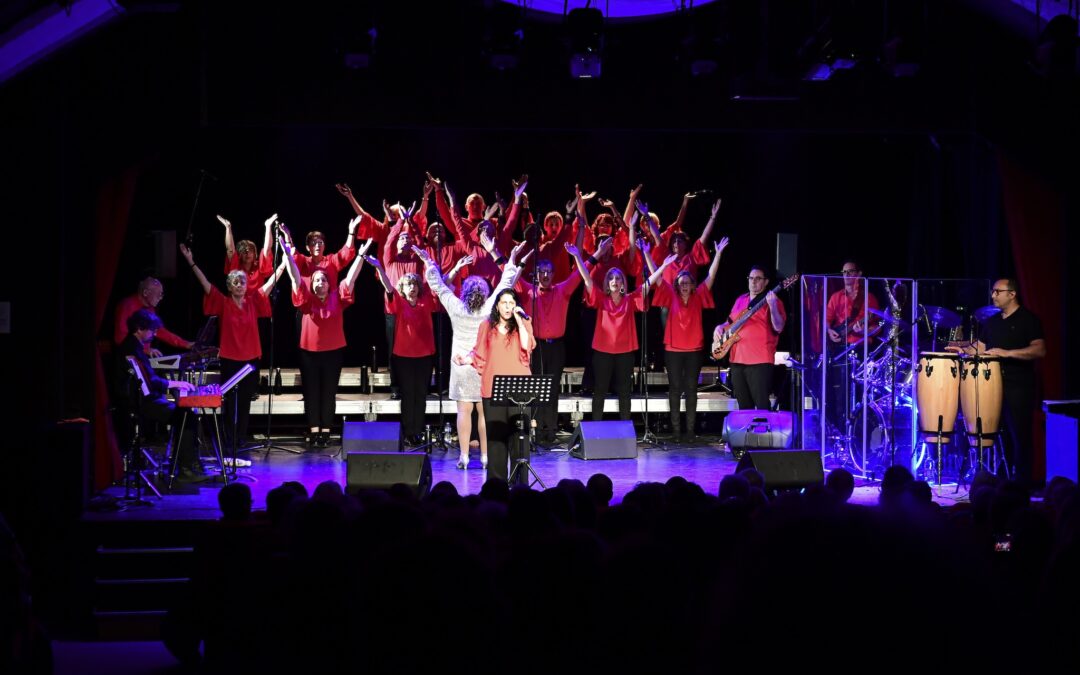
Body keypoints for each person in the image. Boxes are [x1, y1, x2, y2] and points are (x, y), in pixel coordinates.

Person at [416, 241, 528, 469]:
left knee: (463, 411)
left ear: (465, 292)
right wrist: (512, 260)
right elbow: (505, 284)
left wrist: (428, 262)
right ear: (485, 294)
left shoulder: (456, 307)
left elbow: (438, 286)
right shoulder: (489, 309)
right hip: (482, 364)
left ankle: (464, 456)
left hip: (461, 366)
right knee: (484, 413)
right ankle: (486, 456)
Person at [180, 243, 284, 448]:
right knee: (229, 401)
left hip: (251, 359)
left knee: (244, 402)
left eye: (242, 282)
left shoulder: (253, 301)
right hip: (229, 359)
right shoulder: (222, 302)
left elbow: (271, 282)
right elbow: (205, 283)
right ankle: (228, 439)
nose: (239, 285)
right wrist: (190, 261)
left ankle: (240, 438)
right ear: (229, 286)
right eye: (235, 282)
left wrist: (284, 264)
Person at [952, 278, 1046, 488]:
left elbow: (1040, 350)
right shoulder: (993, 322)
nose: (993, 295)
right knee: (995, 435)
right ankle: (1001, 481)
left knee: (1019, 436)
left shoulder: (1028, 320)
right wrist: (964, 350)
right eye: (993, 291)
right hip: (991, 386)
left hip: (1018, 386)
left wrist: (1007, 353)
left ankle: (1022, 485)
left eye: (997, 291)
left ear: (1012, 294)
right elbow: (981, 347)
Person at [567, 242, 675, 421]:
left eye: (618, 278)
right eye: (612, 279)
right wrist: (577, 256)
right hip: (602, 352)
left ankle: (626, 429)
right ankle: (596, 430)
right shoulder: (601, 298)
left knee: (625, 392)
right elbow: (586, 279)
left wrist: (663, 266)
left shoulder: (631, 299)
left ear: (623, 283)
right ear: (607, 284)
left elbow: (649, 283)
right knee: (600, 390)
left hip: (625, 353)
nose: (615, 281)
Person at [282, 236, 373, 449]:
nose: (320, 282)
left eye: (323, 279)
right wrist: (287, 255)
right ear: (312, 284)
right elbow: (295, 278)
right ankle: (314, 430)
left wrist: (360, 255)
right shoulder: (306, 299)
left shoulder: (337, 296)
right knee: (312, 391)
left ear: (328, 282)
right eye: (316, 280)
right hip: (309, 351)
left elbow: (351, 277)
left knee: (329, 391)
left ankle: (326, 430)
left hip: (333, 351)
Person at [650, 237, 728, 441]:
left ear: (693, 285)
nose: (684, 285)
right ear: (676, 285)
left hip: (694, 350)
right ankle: (676, 431)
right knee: (675, 389)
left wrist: (718, 253)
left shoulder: (699, 295)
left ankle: (690, 431)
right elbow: (657, 279)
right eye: (681, 283)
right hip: (673, 351)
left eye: (687, 282)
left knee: (692, 389)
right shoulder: (670, 295)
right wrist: (649, 256)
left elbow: (711, 276)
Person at [462, 289, 535, 484]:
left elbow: (527, 346)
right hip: (493, 388)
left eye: (512, 303)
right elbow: (478, 353)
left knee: (519, 439)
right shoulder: (487, 326)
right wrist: (466, 359)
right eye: (504, 303)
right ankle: (496, 485)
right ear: (497, 305)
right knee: (495, 440)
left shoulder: (524, 323)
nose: (508, 307)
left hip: (520, 390)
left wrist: (520, 321)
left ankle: (520, 484)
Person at [114, 308, 198, 477]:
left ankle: (184, 464)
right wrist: (176, 383)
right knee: (186, 416)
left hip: (141, 398)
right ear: (139, 329)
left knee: (185, 413)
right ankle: (185, 469)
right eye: (151, 330)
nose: (154, 333)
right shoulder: (132, 348)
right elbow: (150, 380)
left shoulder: (134, 345)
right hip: (137, 402)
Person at [368, 257, 440, 446]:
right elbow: (388, 287)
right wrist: (379, 267)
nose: (412, 287)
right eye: (408, 284)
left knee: (421, 395)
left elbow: (442, 284)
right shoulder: (399, 303)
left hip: (424, 356)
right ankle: (409, 432)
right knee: (408, 395)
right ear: (403, 287)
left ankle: (418, 430)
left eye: (415, 283)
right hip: (404, 357)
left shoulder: (426, 302)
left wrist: (455, 268)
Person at [515, 257, 583, 443]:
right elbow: (510, 274)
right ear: (536, 275)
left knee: (552, 389)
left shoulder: (562, 290)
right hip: (536, 346)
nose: (545, 275)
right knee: (536, 388)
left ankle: (551, 428)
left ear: (553, 274)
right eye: (541, 271)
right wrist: (495, 251)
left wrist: (596, 253)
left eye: (548, 271)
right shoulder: (529, 291)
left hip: (556, 347)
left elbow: (579, 275)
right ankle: (537, 429)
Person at [713, 265, 787, 411]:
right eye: (751, 278)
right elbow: (729, 322)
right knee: (743, 406)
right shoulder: (741, 299)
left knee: (761, 405)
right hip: (737, 361)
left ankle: (762, 434)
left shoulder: (773, 301)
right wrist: (719, 327)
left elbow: (778, 327)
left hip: (760, 361)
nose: (753, 282)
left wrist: (772, 306)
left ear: (766, 282)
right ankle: (747, 434)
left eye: (758, 279)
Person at [113, 276, 193, 355]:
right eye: (158, 294)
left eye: (161, 295)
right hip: (128, 357)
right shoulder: (127, 305)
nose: (160, 298)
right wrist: (144, 350)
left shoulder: (149, 308)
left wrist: (185, 344)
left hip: (141, 355)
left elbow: (159, 331)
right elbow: (120, 339)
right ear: (145, 293)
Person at [218, 213, 275, 290]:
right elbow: (230, 250)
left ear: (255, 254)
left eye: (250, 250)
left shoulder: (259, 267)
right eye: (244, 251)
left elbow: (267, 249)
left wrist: (268, 227)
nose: (247, 253)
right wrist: (228, 228)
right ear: (239, 255)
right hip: (238, 301)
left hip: (258, 302)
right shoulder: (236, 268)